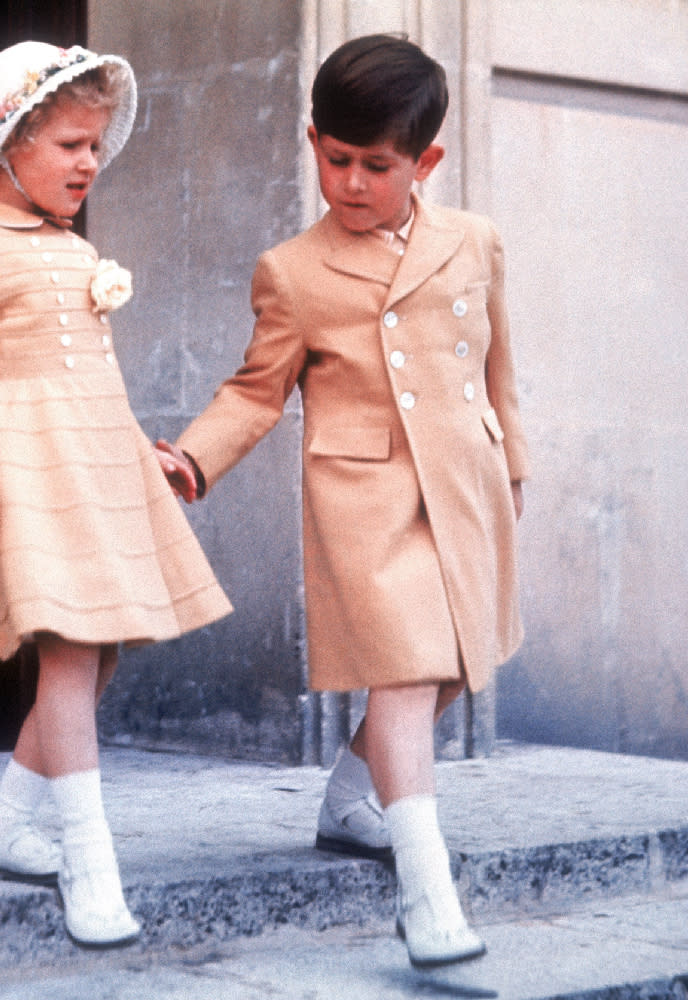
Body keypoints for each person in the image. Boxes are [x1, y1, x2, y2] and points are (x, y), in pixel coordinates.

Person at [159, 34, 530, 967]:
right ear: (311, 141)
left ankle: (348, 799)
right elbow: (255, 390)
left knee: (453, 667)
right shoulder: (294, 269)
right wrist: (193, 461)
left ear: (425, 162)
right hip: (365, 499)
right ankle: (426, 889)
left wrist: (512, 463)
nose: (354, 183)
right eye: (336, 160)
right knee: (405, 676)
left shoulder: (475, 240)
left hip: (467, 485)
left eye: (378, 166)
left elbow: (499, 368)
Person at [0, 41, 231, 949]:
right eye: (69, 146)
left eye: (95, 146)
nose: (90, 162)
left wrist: (138, 457)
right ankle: (89, 860)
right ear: (7, 146)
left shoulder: (70, 247)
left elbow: (88, 379)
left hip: (93, 467)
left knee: (100, 656)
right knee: (73, 657)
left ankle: (8, 826)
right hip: (31, 474)